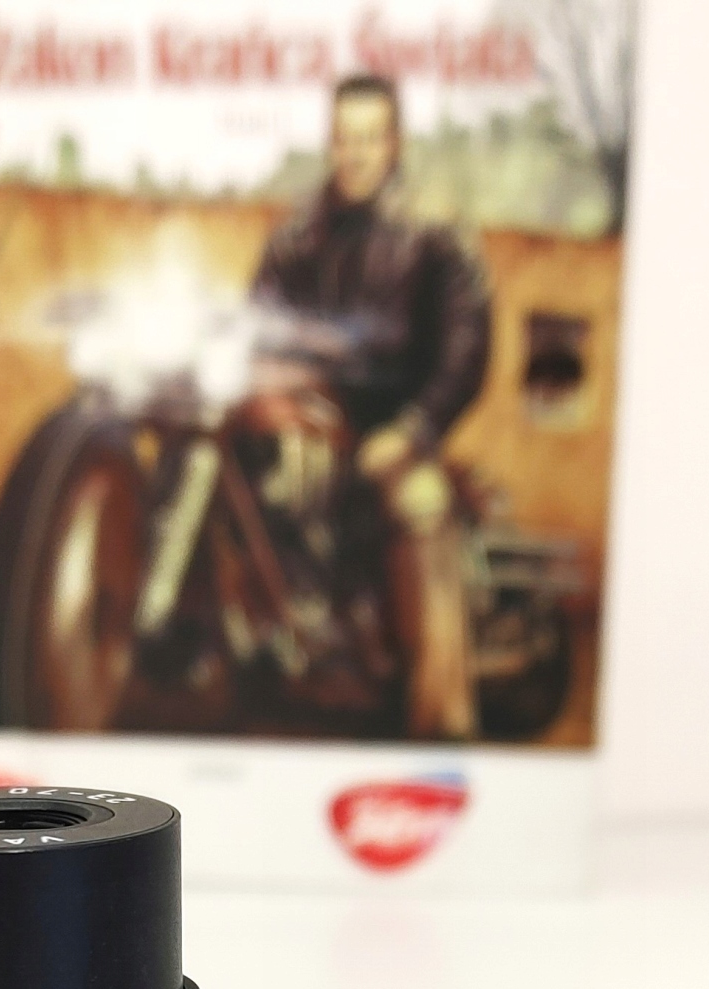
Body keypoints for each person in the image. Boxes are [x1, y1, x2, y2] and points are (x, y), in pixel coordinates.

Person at [251, 72, 493, 739]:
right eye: (344, 138)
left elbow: (466, 348)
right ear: (330, 143)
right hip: (313, 421)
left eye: (369, 138)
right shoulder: (299, 233)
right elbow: (257, 315)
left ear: (393, 144)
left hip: (396, 428)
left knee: (420, 505)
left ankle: (441, 724)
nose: (355, 153)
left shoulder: (434, 232)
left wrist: (414, 430)